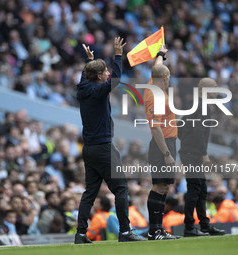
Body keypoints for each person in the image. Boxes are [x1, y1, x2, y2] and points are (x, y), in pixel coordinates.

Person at [75, 37, 145, 244]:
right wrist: (117, 55)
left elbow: (85, 75)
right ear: (98, 76)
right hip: (103, 147)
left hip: (89, 149)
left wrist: (90, 60)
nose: (107, 73)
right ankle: (125, 231)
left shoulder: (83, 87)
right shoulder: (98, 90)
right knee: (121, 188)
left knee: (90, 192)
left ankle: (80, 234)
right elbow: (116, 78)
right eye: (103, 72)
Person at [179, 78, 226, 236]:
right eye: (214, 87)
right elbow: (199, 133)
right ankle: (189, 227)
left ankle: (204, 225)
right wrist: (203, 154)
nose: (217, 89)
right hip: (194, 154)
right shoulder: (202, 107)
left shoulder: (196, 105)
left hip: (191, 152)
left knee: (201, 190)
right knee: (195, 190)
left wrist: (186, 144)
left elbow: (181, 128)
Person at [144, 45, 180, 240]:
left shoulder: (153, 81)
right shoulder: (155, 97)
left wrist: (160, 54)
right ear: (166, 78)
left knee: (164, 186)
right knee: (159, 187)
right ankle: (154, 230)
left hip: (167, 142)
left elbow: (156, 67)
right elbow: (156, 128)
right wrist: (166, 154)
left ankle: (158, 230)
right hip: (162, 144)